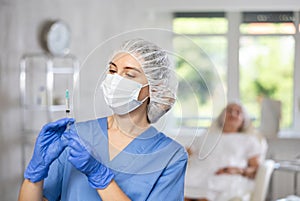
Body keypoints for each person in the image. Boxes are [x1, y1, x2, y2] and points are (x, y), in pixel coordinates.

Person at [18, 38, 188, 201]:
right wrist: (34, 174)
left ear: (155, 89)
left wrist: (100, 176)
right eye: (113, 71)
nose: (115, 81)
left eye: (129, 74)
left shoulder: (171, 156)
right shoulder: (76, 136)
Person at [184, 102, 267, 201]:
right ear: (222, 116)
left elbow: (256, 168)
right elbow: (187, 152)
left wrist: (239, 171)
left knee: (208, 193)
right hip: (197, 174)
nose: (233, 114)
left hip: (226, 176)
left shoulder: (249, 140)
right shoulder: (207, 135)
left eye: (238, 112)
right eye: (229, 111)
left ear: (243, 120)